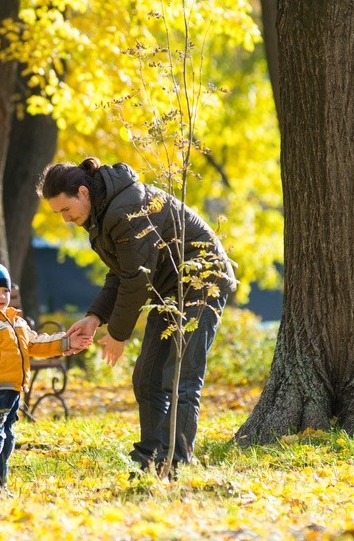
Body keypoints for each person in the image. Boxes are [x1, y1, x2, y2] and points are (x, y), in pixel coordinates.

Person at [37, 157, 237, 476]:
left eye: (65, 209)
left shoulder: (125, 209)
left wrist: (117, 334)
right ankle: (151, 456)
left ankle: (177, 463)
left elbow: (136, 278)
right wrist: (94, 317)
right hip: (167, 288)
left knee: (180, 375)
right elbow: (121, 273)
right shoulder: (102, 217)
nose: (64, 219)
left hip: (202, 280)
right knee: (146, 375)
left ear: (84, 192)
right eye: (58, 213)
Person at [0, 261, 87, 494]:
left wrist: (66, 343)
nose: (1, 296)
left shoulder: (15, 321)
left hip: (13, 391)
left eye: (5, 291)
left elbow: (35, 343)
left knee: (6, 440)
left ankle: (0, 484)